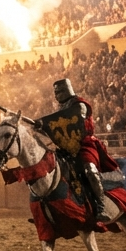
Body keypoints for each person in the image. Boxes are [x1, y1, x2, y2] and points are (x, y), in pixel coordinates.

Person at [39, 78, 117, 223]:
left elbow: (70, 117)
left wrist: (43, 121)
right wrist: (40, 125)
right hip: (67, 148)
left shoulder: (80, 105)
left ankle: (102, 206)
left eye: (59, 92)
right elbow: (55, 125)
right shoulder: (61, 109)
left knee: (90, 170)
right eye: (55, 93)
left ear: (67, 90)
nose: (57, 95)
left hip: (85, 144)